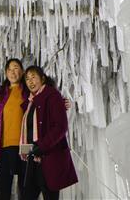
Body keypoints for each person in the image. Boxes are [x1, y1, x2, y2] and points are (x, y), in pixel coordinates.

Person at [20, 66, 78, 200]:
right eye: (27, 79)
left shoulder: (52, 96)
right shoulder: (30, 102)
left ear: (42, 78)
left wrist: (41, 146)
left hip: (48, 159)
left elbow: (60, 127)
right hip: (32, 159)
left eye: (33, 77)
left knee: (50, 196)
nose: (30, 81)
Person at [0, 58, 30, 200]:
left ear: (21, 71)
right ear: (5, 72)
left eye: (16, 68)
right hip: (4, 146)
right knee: (4, 191)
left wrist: (61, 103)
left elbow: (45, 103)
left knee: (25, 190)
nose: (13, 72)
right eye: (9, 69)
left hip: (25, 146)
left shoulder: (28, 91)